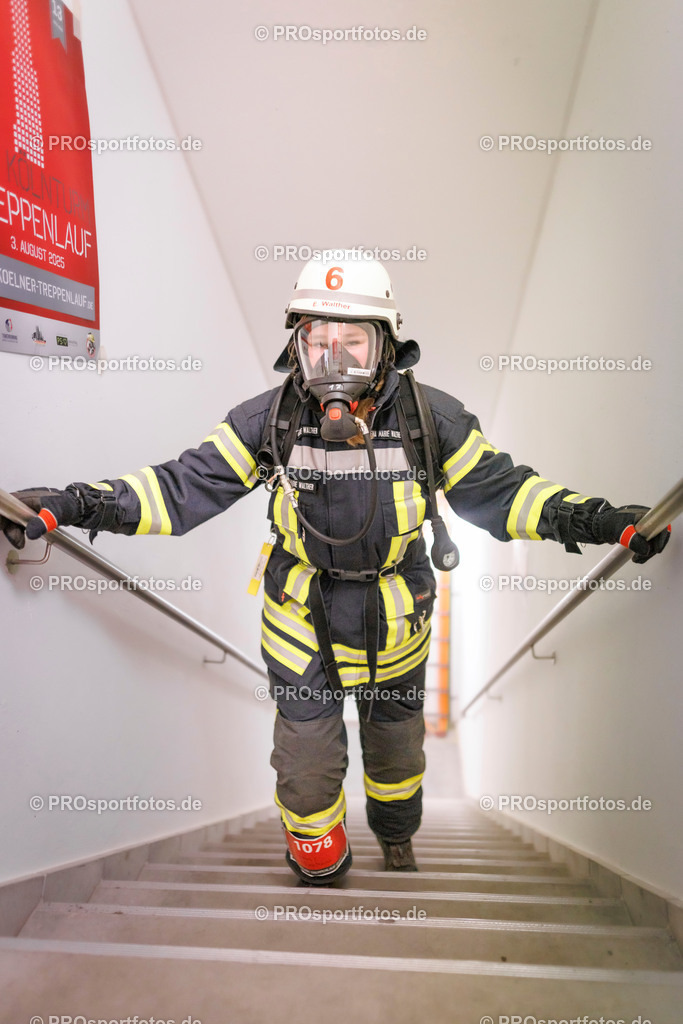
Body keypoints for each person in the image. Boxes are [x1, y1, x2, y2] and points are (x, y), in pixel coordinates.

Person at [1, 256, 671, 885]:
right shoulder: (268, 421)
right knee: (304, 772)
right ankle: (323, 867)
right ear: (296, 342)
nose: (333, 357)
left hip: (397, 623)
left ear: (386, 345)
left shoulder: (430, 421)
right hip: (301, 621)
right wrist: (73, 503)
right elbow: (177, 490)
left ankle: (396, 833)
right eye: (318, 337)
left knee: (397, 760)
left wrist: (600, 520)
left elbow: (506, 494)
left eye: (353, 340)